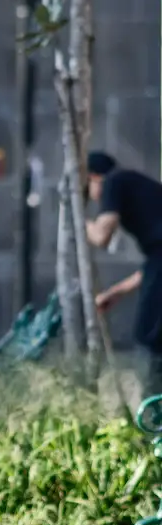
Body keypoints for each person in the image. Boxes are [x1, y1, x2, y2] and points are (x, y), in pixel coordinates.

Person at [85, 151, 162, 397]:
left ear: (93, 178)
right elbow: (153, 267)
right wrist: (116, 292)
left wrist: (81, 222)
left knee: (150, 336)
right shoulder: (134, 184)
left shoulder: (113, 181)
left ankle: (153, 408)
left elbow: (101, 236)